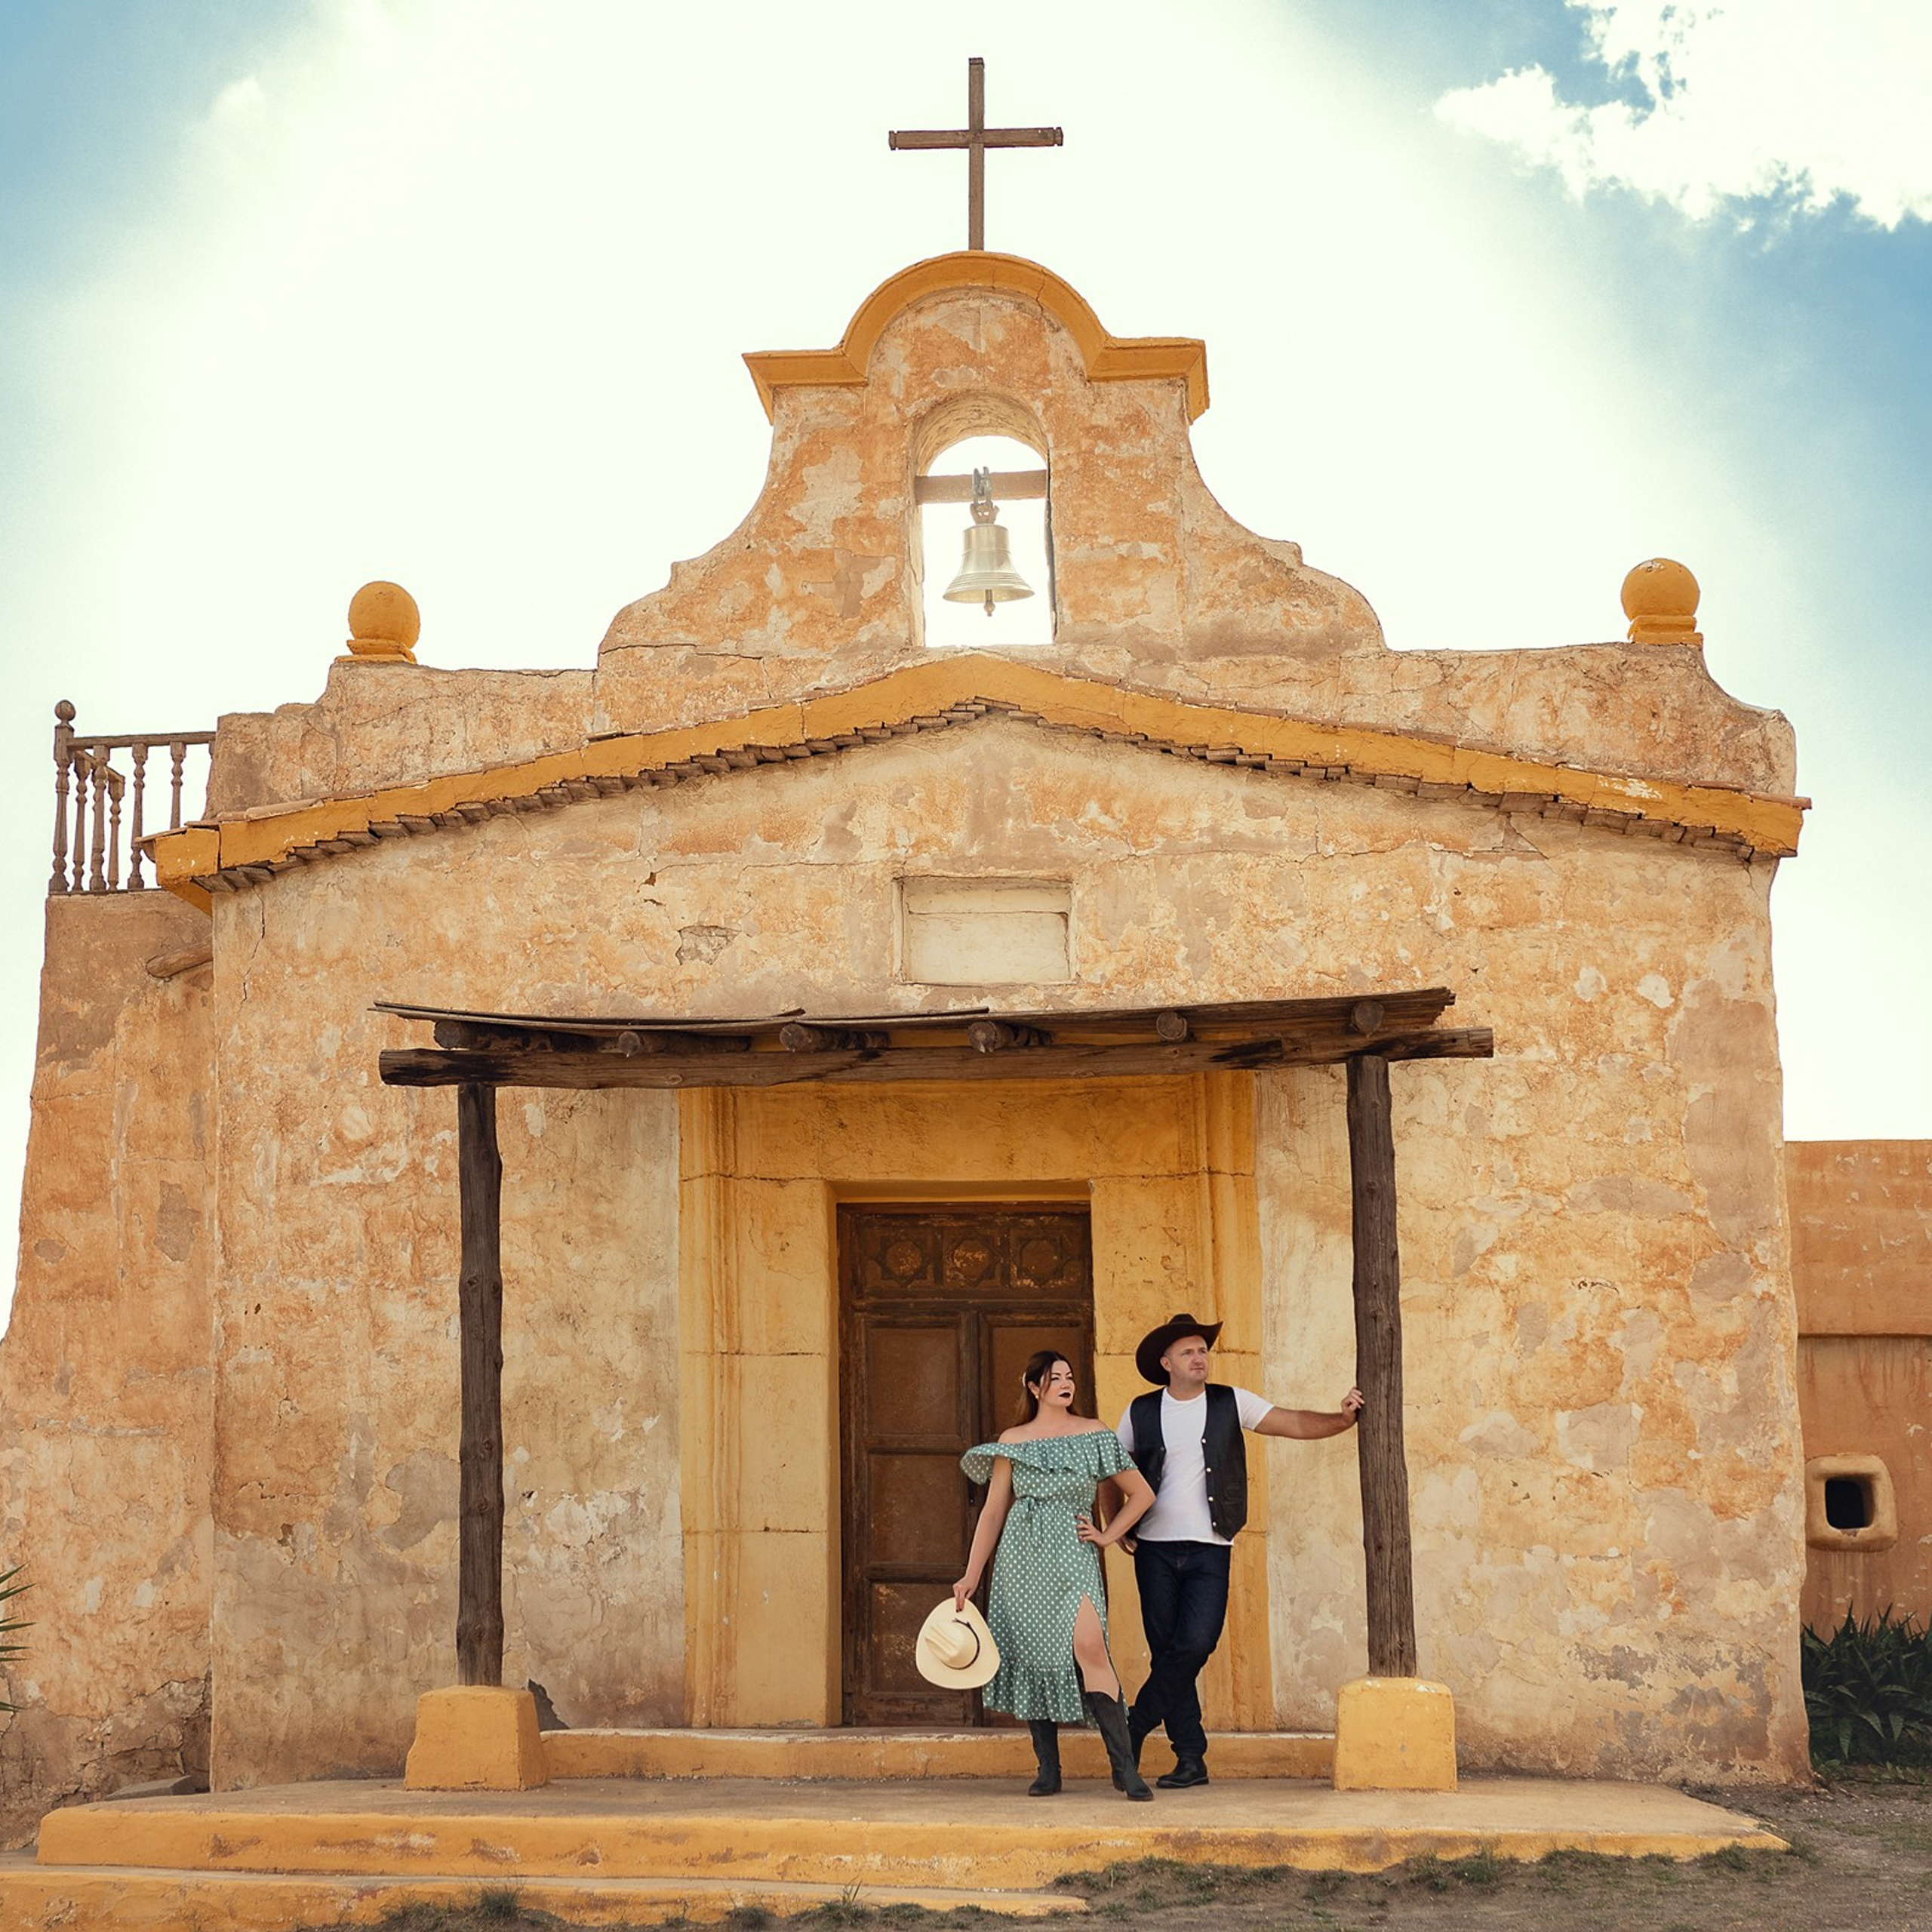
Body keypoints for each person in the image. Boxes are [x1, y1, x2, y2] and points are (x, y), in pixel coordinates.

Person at [1114, 1312, 1363, 1789]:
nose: (1199, 1357)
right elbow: (1112, 1467)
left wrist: (1342, 1419)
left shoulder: (1232, 1402)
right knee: (1168, 1652)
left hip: (1211, 1546)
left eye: (1203, 1350)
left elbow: (1291, 1422)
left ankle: (1133, 1724)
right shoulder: (1140, 1411)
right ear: (1166, 1362)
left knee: (1195, 1644)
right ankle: (1190, 1759)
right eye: (1188, 1351)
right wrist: (1118, 1522)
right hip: (1154, 1550)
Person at [952, 1350, 1159, 1800]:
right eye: (1055, 1378)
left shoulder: (1094, 1434)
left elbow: (1141, 1494)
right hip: (1021, 1561)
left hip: (1073, 1558)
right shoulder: (1013, 1440)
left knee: (1090, 1647)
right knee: (1031, 1655)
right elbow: (992, 1513)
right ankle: (1048, 1768)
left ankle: (1125, 1769)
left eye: (1069, 1377)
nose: (1066, 1384)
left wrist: (1107, 1537)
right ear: (1034, 1387)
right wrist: (971, 1575)